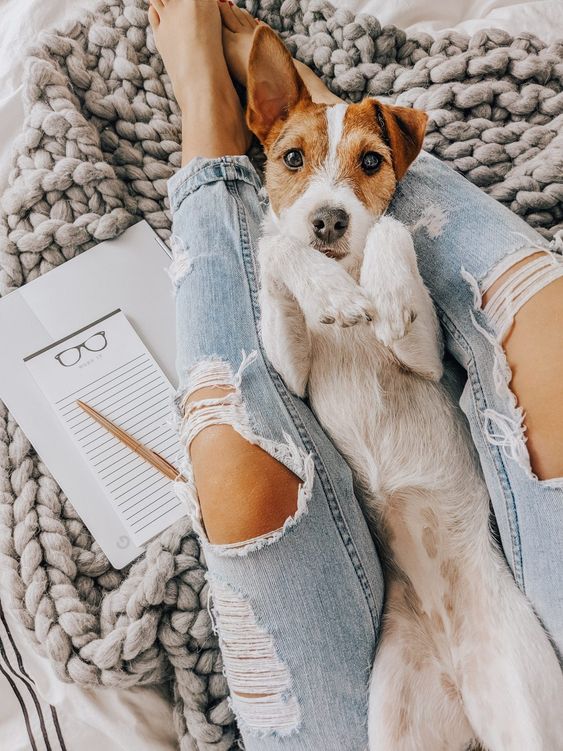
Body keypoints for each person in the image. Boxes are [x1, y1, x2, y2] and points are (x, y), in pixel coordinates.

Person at [148, 0, 563, 747]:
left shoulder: (363, 241)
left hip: (448, 581)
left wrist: (350, 253)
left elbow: (361, 370)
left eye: (367, 163)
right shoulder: (310, 239)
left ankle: (220, 142)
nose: (326, 209)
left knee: (231, 448)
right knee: (546, 327)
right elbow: (297, 374)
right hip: (423, 595)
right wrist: (293, 259)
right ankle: (333, 124)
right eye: (292, 161)